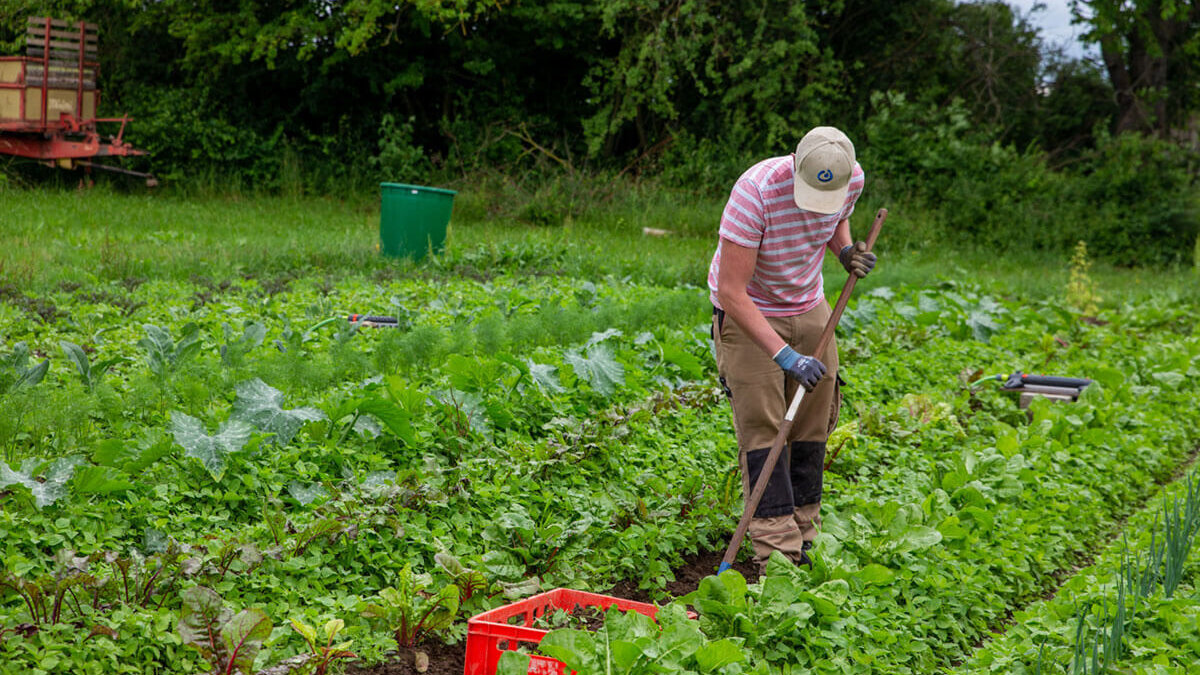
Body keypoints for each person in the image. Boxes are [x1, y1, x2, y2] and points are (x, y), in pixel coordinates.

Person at [708, 126, 876, 573]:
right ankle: (778, 555)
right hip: (751, 313)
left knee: (812, 425)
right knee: (766, 432)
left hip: (809, 303)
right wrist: (783, 355)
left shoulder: (850, 177)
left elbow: (834, 221)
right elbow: (731, 292)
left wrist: (844, 251)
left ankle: (805, 533)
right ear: (796, 164)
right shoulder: (756, 192)